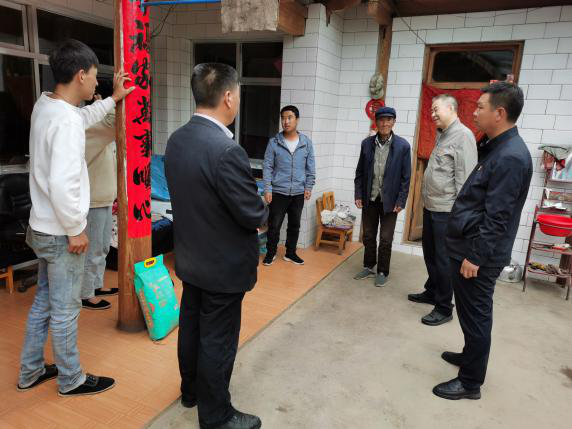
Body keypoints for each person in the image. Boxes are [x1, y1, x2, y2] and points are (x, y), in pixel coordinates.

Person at [18, 39, 133, 396]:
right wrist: (75, 229)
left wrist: (113, 99)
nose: (97, 83)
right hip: (60, 232)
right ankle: (71, 379)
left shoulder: (46, 105)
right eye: (95, 76)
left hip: (41, 226)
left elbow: (81, 118)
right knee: (66, 309)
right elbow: (62, 183)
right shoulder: (65, 121)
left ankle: (31, 370)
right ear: (81, 75)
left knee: (44, 302)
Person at [165, 63, 267, 429]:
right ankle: (217, 417)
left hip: (190, 258)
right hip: (222, 267)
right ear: (227, 97)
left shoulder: (177, 140)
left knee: (192, 327)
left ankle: (191, 391)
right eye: (237, 93)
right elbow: (252, 213)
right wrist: (263, 205)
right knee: (217, 340)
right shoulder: (226, 150)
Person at [433, 82, 532, 400]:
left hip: (478, 254)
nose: (473, 113)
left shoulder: (511, 157)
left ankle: (470, 382)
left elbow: (497, 217)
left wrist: (475, 257)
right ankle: (469, 356)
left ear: (499, 113)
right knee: (468, 312)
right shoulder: (496, 147)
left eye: (480, 107)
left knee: (476, 315)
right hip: (469, 244)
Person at [408, 94, 478, 326]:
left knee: (443, 259)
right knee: (430, 254)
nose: (432, 114)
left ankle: (444, 307)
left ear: (450, 108)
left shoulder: (463, 136)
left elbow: (465, 182)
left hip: (447, 212)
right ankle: (433, 291)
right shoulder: (444, 134)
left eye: (436, 109)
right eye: (431, 110)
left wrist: (459, 218)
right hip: (432, 207)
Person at [353, 106, 411, 287]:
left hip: (390, 202)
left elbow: (406, 177)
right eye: (381, 119)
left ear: (394, 122)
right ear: (376, 122)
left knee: (385, 239)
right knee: (369, 235)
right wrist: (358, 194)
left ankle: (383, 271)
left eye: (389, 119)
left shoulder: (403, 146)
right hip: (369, 199)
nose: (385, 123)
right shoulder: (366, 144)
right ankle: (369, 266)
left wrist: (401, 200)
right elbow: (359, 172)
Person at [262, 105, 315, 266]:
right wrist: (268, 188)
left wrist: (308, 187)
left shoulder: (306, 143)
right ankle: (271, 253)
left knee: (294, 225)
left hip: (298, 192)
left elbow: (310, 167)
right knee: (274, 225)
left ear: (297, 120)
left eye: (289, 118)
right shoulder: (274, 142)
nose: (286, 121)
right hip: (278, 191)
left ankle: (290, 253)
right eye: (283, 118)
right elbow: (267, 167)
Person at [81, 96, 117, 311]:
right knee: (93, 250)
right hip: (93, 201)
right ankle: (86, 294)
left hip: (104, 199)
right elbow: (112, 122)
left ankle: (96, 286)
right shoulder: (89, 131)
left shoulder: (102, 136)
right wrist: (107, 103)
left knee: (102, 247)